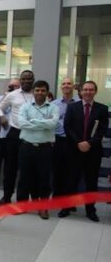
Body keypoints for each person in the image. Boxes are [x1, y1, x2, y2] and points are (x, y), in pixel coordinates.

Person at [61, 80, 109, 222]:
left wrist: (89, 143)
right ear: (81, 92)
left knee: (91, 182)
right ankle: (66, 207)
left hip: (93, 151)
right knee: (71, 180)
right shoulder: (72, 107)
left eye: (91, 89)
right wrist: (79, 143)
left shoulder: (102, 109)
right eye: (85, 90)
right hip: (74, 150)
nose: (88, 92)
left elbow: (102, 130)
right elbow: (67, 127)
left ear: (95, 91)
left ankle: (90, 210)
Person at [16, 80, 59, 220]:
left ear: (47, 92)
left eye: (43, 90)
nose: (40, 93)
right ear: (33, 91)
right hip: (26, 147)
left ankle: (43, 207)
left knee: (44, 179)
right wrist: (43, 124)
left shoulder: (53, 108)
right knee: (24, 178)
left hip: (45, 148)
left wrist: (33, 122)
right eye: (37, 90)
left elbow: (53, 124)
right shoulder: (25, 107)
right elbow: (21, 123)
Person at [0, 70, 35, 205]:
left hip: (31, 135)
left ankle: (22, 200)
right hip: (15, 133)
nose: (27, 81)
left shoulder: (38, 95)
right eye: (24, 79)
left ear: (33, 80)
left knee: (27, 169)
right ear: (20, 80)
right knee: (10, 168)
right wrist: (2, 117)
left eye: (29, 79)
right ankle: (6, 197)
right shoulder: (13, 95)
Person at [52, 77, 78, 210]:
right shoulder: (54, 104)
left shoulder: (79, 103)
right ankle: (57, 198)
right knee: (57, 170)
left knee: (72, 172)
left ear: (73, 87)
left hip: (74, 142)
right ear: (61, 87)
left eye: (69, 83)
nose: (66, 86)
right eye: (64, 84)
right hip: (58, 140)